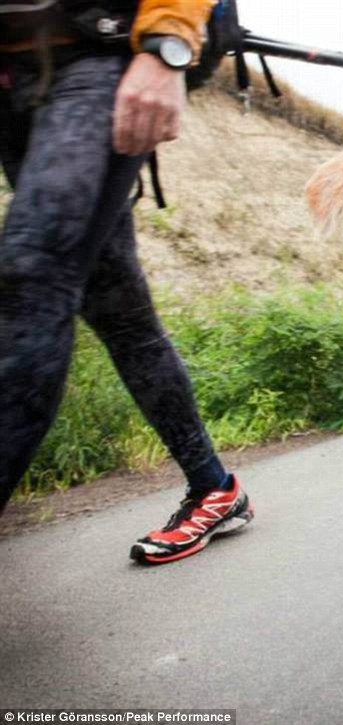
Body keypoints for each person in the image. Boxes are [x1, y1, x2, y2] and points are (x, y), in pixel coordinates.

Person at [0, 0, 253, 564]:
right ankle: (215, 489)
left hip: (102, 57)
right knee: (121, 315)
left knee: (31, 281)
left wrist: (168, 44)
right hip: (16, 79)